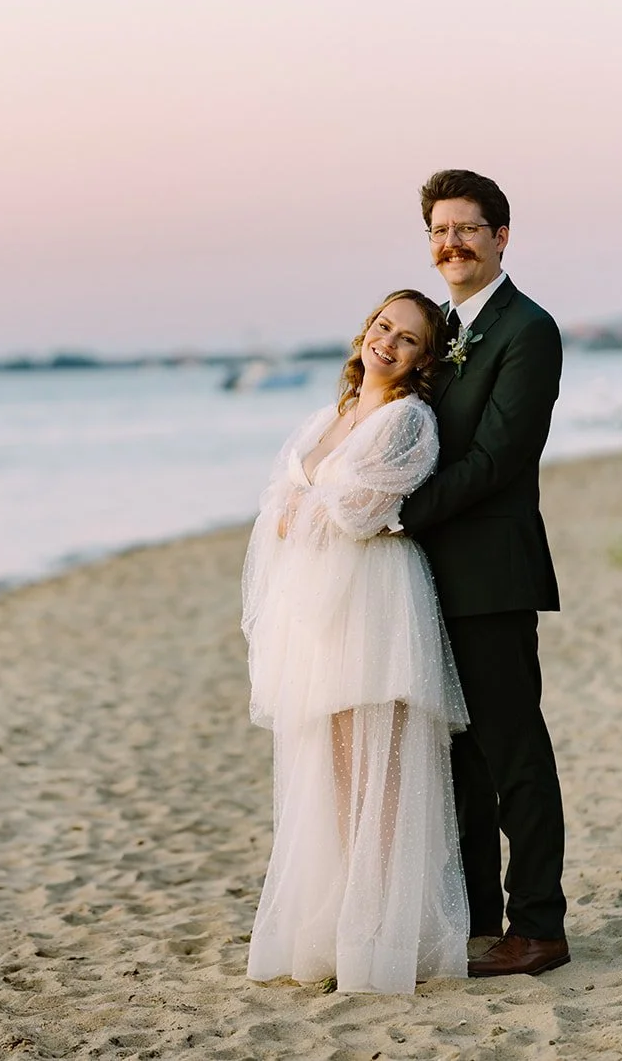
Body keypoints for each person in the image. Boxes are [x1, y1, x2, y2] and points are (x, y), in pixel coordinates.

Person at [242, 288, 470, 994]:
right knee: (335, 769)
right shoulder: (331, 417)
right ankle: (343, 924)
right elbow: (280, 501)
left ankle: (383, 935)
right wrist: (310, 507)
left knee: (382, 767)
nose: (387, 343)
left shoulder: (407, 422)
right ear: (363, 331)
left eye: (406, 338)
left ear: (423, 359)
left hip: (373, 599)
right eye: (382, 326)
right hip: (317, 606)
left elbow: (362, 515)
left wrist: (307, 508)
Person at [396, 169, 569, 977]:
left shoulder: (527, 330)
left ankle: (539, 925)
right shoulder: (438, 329)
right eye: (438, 230)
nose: (450, 243)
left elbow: (501, 458)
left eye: (467, 228)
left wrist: (402, 513)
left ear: (502, 236)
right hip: (430, 576)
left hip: (493, 573)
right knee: (460, 756)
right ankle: (476, 914)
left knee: (514, 752)